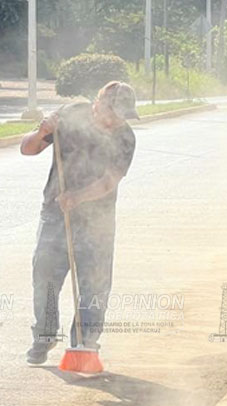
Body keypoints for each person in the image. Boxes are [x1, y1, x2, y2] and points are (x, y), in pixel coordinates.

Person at [20, 80, 139, 364]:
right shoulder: (70, 115)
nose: (117, 122)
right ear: (98, 105)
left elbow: (110, 181)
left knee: (94, 285)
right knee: (45, 276)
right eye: (114, 115)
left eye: (123, 116)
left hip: (98, 221)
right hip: (55, 214)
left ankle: (85, 343)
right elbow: (27, 149)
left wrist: (78, 197)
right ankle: (45, 336)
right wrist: (43, 130)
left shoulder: (125, 137)